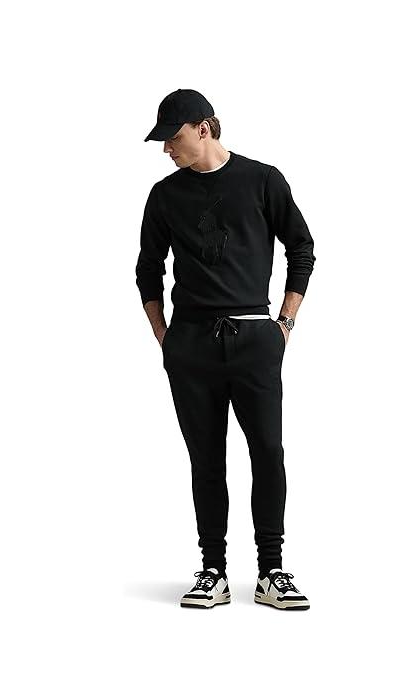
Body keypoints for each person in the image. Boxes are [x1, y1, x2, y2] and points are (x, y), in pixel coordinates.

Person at [136, 89, 315, 611]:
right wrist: (164, 336)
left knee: (268, 454)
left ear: (204, 128)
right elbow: (147, 269)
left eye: (173, 137)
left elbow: (301, 246)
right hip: (191, 344)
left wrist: (284, 323)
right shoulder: (165, 195)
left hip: (254, 338)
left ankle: (271, 571)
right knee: (206, 460)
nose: (166, 148)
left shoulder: (262, 180)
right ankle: (212, 570)